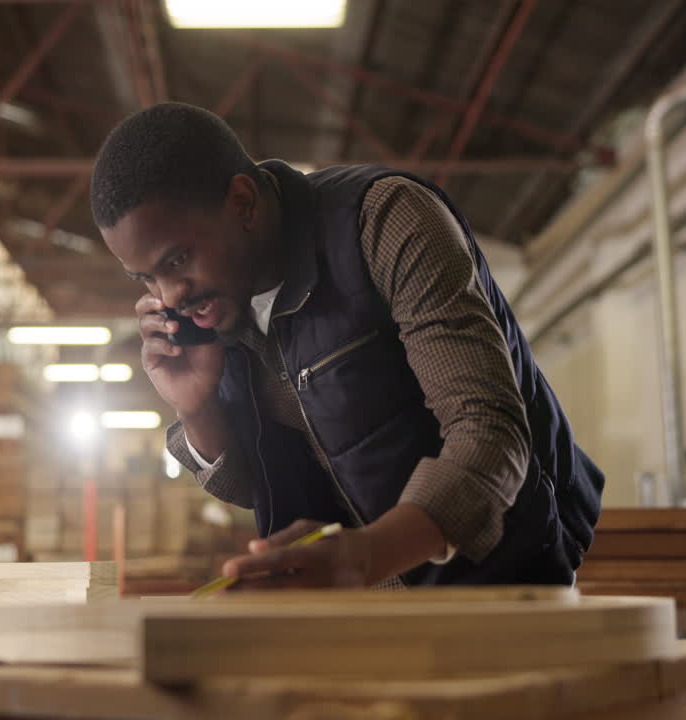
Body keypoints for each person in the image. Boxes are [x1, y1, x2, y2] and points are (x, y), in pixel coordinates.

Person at [91, 103, 605, 588]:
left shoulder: (385, 221)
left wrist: (365, 556)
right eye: (146, 279)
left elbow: (490, 432)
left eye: (178, 261)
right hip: (356, 602)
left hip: (498, 585)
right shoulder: (221, 312)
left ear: (243, 202)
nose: (170, 297)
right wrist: (197, 407)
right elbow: (254, 487)